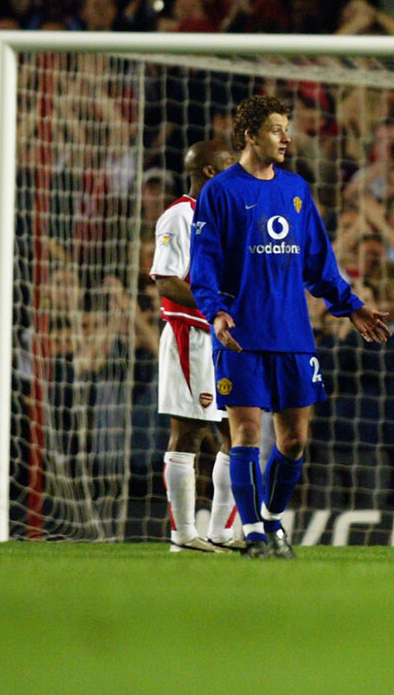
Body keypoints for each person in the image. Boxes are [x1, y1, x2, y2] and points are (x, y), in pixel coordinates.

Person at [190, 95, 391, 559]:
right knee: (244, 435)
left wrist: (352, 306)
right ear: (250, 135)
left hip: (293, 335)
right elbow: (204, 266)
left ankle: (273, 519)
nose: (286, 138)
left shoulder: (297, 190)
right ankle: (255, 533)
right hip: (241, 335)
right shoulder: (220, 192)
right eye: (277, 129)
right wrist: (215, 312)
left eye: (287, 128)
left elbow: (319, 265)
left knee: (294, 440)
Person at [150, 140, 238, 553]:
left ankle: (221, 531)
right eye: (228, 168)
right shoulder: (178, 216)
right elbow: (167, 281)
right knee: (187, 433)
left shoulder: (222, 218)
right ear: (208, 172)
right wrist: (217, 306)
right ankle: (183, 534)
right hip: (192, 338)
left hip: (224, 341)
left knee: (238, 433)